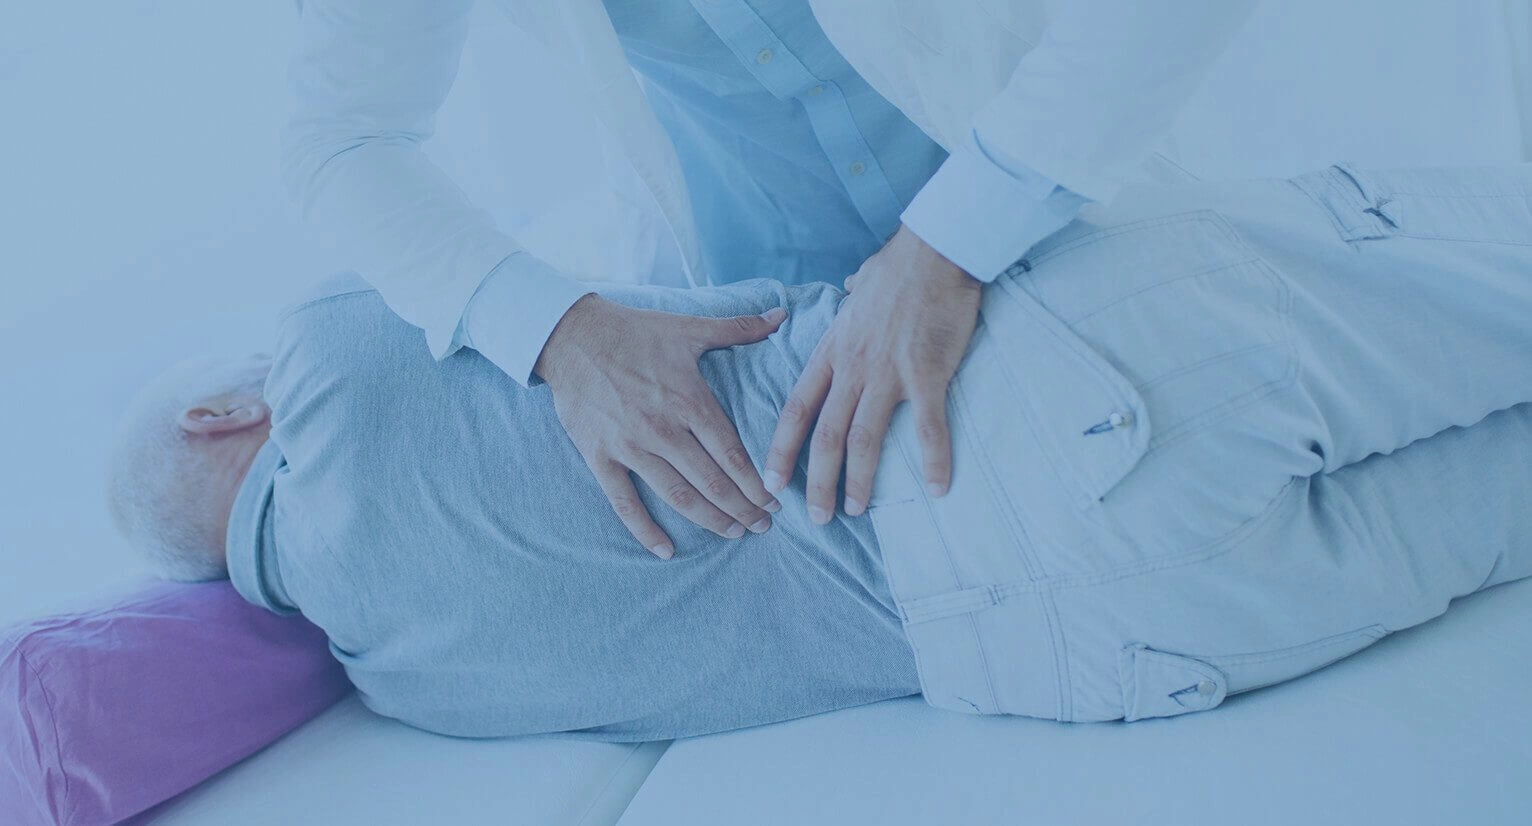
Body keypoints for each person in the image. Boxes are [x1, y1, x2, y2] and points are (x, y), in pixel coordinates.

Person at [109, 162, 1532, 736]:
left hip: (1088, 652)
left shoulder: (420, 695)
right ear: (220, 415)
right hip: (999, 412)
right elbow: (700, 307)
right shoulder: (328, 349)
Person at [284, 0, 1259, 557]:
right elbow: (338, 141)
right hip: (785, 339)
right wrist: (557, 331)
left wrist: (947, 245)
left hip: (1070, 201)